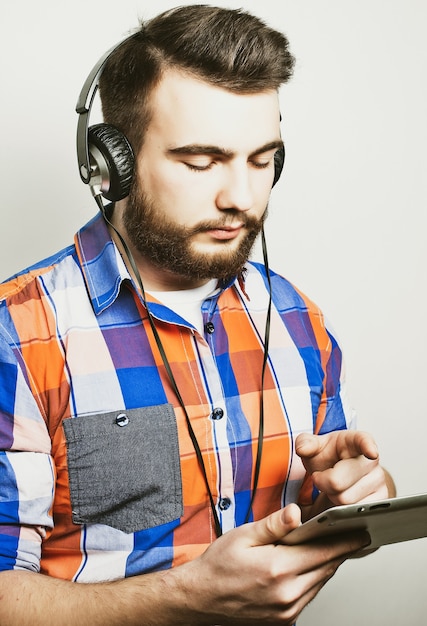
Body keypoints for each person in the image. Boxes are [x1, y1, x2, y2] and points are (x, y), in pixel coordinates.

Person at [0, 5, 395, 625]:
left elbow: (306, 527)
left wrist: (350, 499)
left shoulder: (296, 319)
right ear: (112, 165)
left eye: (262, 160)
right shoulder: (16, 336)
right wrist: (184, 595)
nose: (240, 197)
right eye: (201, 161)